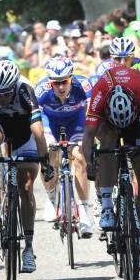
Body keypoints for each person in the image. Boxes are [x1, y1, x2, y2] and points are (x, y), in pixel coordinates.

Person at [81, 65, 140, 270]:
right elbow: (87, 136)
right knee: (107, 141)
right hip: (108, 120)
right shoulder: (100, 90)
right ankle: (106, 206)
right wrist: (89, 163)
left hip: (136, 119)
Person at [0, 60, 52, 274]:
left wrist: (45, 161)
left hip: (23, 129)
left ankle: (28, 247)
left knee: (26, 186)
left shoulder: (25, 90)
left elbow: (37, 131)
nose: (2, 98)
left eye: (6, 94)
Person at [34, 56, 95, 236]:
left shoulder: (83, 86)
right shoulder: (41, 90)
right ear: (50, 82)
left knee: (80, 156)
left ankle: (84, 213)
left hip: (76, 121)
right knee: (48, 153)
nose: (61, 87)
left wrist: (91, 139)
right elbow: (34, 119)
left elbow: (93, 114)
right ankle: (52, 200)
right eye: (56, 83)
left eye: (65, 82)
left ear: (72, 78)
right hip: (49, 121)